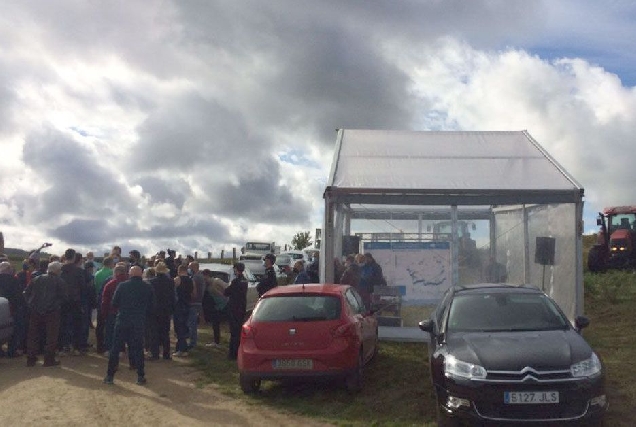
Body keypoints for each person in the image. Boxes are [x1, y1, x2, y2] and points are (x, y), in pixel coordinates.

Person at [103, 266, 154, 386]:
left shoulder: (122, 286)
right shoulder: (147, 287)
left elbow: (114, 303)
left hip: (122, 320)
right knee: (138, 349)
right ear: (141, 274)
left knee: (115, 349)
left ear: (130, 274)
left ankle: (110, 376)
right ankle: (140, 376)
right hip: (138, 321)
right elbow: (152, 306)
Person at [24, 261, 66, 367]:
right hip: (52, 312)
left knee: (33, 334)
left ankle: (31, 359)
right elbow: (64, 298)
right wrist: (56, 306)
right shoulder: (60, 281)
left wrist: (30, 304)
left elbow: (26, 293)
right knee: (51, 336)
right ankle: (49, 359)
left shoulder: (36, 279)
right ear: (57, 271)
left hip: (35, 311)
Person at [60, 248, 88, 354]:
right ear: (74, 257)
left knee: (63, 324)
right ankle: (77, 347)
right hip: (76, 300)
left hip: (62, 301)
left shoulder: (60, 269)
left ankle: (64, 346)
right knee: (77, 324)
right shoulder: (79, 271)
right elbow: (83, 287)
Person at [148, 262, 175, 360]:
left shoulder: (151, 282)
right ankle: (166, 354)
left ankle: (155, 354)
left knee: (154, 332)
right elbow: (173, 297)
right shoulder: (170, 282)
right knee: (165, 332)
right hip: (166, 310)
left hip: (154, 310)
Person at [100, 263, 128, 354]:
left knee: (110, 331)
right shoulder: (129, 283)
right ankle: (121, 349)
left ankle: (109, 349)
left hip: (112, 311)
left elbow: (105, 300)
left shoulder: (110, 284)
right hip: (126, 312)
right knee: (123, 332)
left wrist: (104, 313)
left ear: (115, 272)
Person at [224, 262, 248, 360]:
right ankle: (238, 351)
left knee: (234, 332)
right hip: (241, 308)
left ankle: (232, 354)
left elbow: (226, 292)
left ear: (236, 269)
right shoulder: (245, 281)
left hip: (234, 308)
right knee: (238, 331)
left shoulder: (235, 281)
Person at [202, 270, 228, 348]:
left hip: (223, 304)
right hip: (216, 306)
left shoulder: (216, 281)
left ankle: (218, 342)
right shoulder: (207, 284)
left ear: (207, 275)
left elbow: (227, 287)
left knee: (220, 323)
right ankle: (216, 342)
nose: (203, 278)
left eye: (204, 276)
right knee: (215, 324)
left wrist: (223, 295)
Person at [93, 257, 114, 353]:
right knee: (109, 325)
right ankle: (108, 345)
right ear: (110, 263)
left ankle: (99, 346)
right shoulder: (111, 273)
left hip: (99, 299)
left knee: (100, 324)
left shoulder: (97, 273)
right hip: (109, 301)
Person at [173, 264, 193, 357]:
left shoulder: (177, 279)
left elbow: (172, 291)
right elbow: (194, 293)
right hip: (187, 304)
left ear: (179, 270)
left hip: (179, 305)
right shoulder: (191, 280)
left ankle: (181, 349)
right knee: (184, 326)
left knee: (179, 327)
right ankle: (183, 348)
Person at [187, 261, 204, 349]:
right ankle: (192, 342)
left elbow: (194, 292)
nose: (189, 269)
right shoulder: (199, 276)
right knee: (192, 323)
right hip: (198, 302)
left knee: (192, 324)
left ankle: (192, 343)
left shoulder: (196, 278)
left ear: (194, 267)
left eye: (190, 267)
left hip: (194, 302)